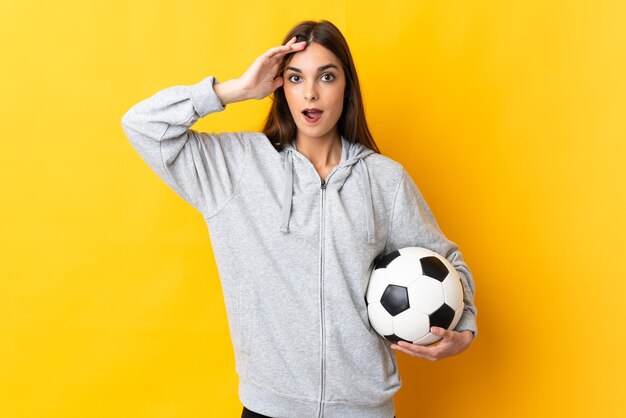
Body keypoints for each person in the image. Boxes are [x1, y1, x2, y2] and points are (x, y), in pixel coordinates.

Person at [121, 19, 477, 418]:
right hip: (270, 408)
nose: (310, 93)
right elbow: (143, 126)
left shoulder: (384, 180)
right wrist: (236, 90)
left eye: (326, 76)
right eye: (294, 78)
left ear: (347, 86)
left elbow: (450, 265)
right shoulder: (237, 167)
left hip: (363, 409)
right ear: (279, 87)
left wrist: (463, 331)